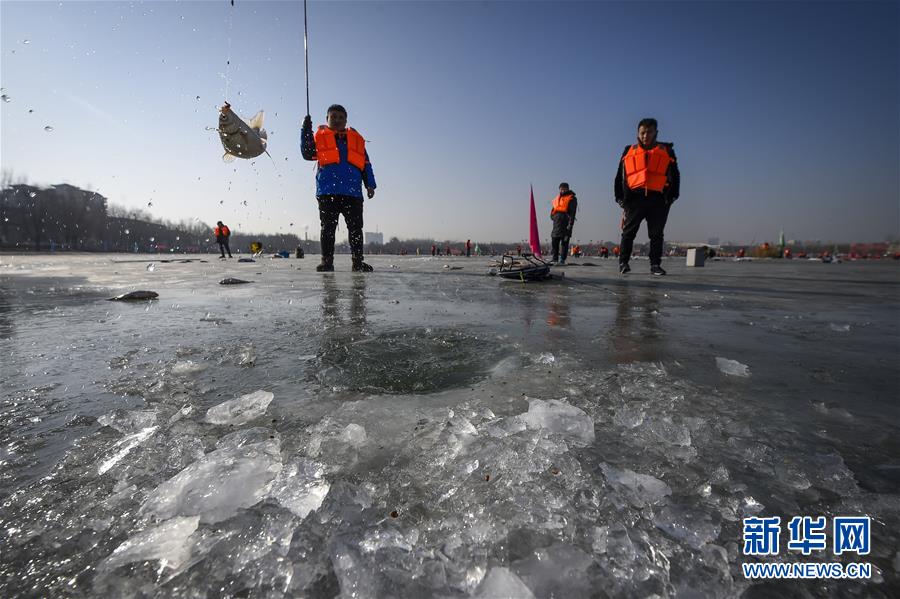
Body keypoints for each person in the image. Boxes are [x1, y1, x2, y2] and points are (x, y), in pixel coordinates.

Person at [301, 104, 376, 272]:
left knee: (356, 229)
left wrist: (370, 184)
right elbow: (307, 153)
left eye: (340, 117)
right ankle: (327, 261)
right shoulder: (320, 138)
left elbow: (366, 164)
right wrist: (305, 129)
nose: (337, 120)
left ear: (346, 120)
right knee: (328, 228)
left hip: (353, 193)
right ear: (327, 119)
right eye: (333, 117)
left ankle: (357, 262)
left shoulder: (356, 139)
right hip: (328, 192)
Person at [614, 118, 680, 275]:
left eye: (649, 132)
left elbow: (676, 175)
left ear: (656, 133)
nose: (645, 135)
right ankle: (623, 263)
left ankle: (655, 265)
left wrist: (672, 196)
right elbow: (619, 175)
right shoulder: (628, 150)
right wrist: (620, 197)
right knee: (628, 233)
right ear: (638, 133)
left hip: (658, 199)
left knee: (656, 234)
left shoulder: (667, 151)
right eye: (642, 132)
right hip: (634, 199)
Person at [550, 182, 577, 265]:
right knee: (554, 241)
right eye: (561, 189)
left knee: (564, 243)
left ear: (568, 189)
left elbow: (573, 213)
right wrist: (553, 217)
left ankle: (562, 259)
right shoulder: (556, 199)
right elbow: (552, 212)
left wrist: (570, 224)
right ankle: (555, 259)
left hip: (566, 224)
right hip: (556, 224)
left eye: (564, 189)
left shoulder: (572, 198)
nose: (562, 190)